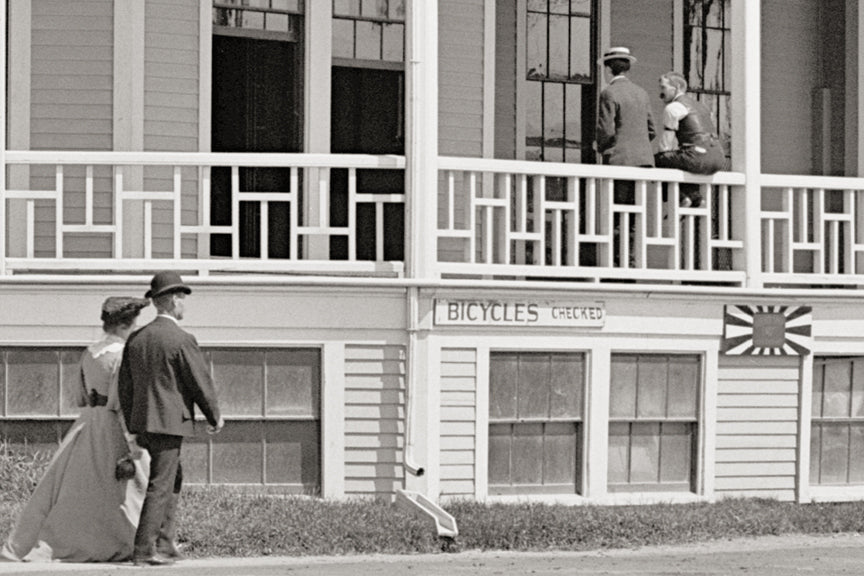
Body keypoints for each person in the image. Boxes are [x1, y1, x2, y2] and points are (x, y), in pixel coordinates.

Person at [1, 297, 152, 563]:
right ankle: (123, 540)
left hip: (87, 422)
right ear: (126, 325)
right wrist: (132, 441)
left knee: (76, 487)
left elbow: (81, 394)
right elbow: (122, 400)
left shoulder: (91, 352)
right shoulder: (122, 356)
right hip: (112, 424)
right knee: (123, 486)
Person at [118, 271, 224, 567]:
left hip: (144, 422)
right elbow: (199, 381)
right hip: (168, 423)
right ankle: (145, 550)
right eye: (182, 299)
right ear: (173, 300)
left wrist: (132, 424)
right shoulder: (181, 339)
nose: (184, 305)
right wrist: (214, 415)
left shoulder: (137, 339)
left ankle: (165, 544)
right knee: (161, 483)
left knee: (171, 478)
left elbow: (125, 387)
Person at [654, 71, 729, 207]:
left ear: (675, 87)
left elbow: (666, 144)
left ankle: (680, 197)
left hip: (697, 156)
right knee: (679, 161)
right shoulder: (702, 106)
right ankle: (696, 198)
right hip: (718, 158)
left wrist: (662, 156)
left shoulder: (673, 107)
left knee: (659, 160)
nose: (661, 93)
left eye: (663, 88)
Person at [596, 46, 656, 197]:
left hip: (619, 159)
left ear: (608, 69)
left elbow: (606, 129)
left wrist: (600, 146)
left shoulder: (609, 92)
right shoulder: (641, 93)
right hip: (643, 160)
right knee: (636, 207)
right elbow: (652, 130)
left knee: (617, 209)